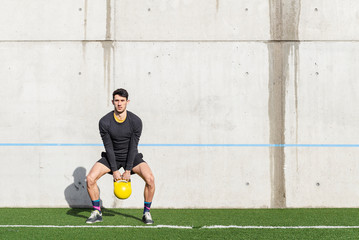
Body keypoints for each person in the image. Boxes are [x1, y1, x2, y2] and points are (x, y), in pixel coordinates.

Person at [86, 88, 155, 224]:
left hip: (132, 156)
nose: (119, 104)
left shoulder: (135, 121)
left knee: (150, 179)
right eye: (116, 100)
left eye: (122, 101)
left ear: (127, 102)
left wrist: (128, 170)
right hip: (112, 157)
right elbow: (109, 147)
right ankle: (96, 211)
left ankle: (146, 212)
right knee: (90, 179)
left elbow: (133, 146)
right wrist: (115, 170)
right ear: (112, 102)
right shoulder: (105, 122)